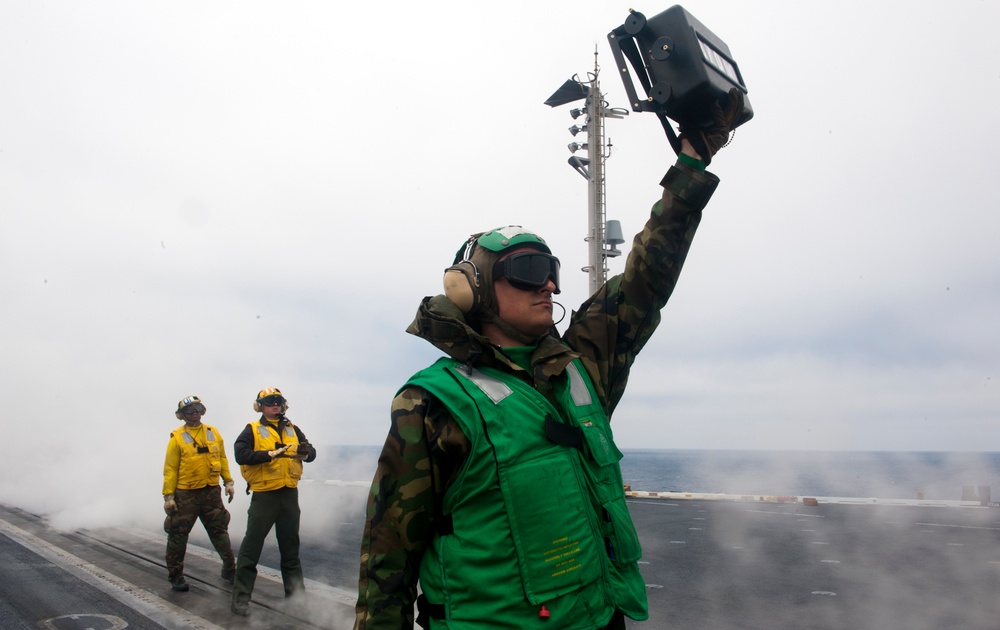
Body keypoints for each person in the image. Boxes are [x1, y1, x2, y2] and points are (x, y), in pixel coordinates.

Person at [353, 90, 745, 629]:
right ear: (473, 291)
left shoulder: (580, 365)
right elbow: (388, 554)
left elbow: (645, 279)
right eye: (529, 269)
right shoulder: (434, 402)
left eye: (551, 267)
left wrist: (692, 164)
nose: (550, 284)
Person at [230, 387, 317, 616]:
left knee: (291, 550)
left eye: (278, 401)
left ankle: (296, 600)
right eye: (270, 402)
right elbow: (241, 454)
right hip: (265, 495)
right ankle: (240, 599)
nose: (275, 405)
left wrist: (305, 454)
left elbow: (311, 452)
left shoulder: (292, 428)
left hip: (289, 494)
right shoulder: (252, 430)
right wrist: (269, 454)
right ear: (260, 406)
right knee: (251, 548)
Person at [162, 395, 236, 592]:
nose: (194, 412)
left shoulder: (213, 433)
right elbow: (170, 469)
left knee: (220, 531)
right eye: (189, 410)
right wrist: (169, 496)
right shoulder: (177, 438)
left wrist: (228, 482)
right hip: (185, 494)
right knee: (178, 535)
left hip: (211, 492)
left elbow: (222, 458)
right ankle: (176, 576)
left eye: (197, 409)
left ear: (202, 411)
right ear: (182, 415)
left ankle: (230, 569)